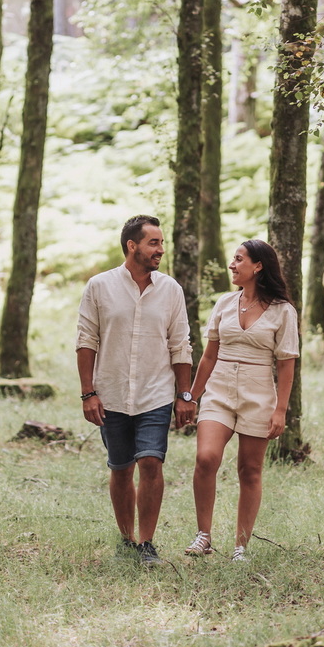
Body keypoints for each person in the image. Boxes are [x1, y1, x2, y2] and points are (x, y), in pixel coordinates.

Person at [76, 215, 196, 566]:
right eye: (153, 243)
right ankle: (126, 538)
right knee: (121, 467)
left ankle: (147, 543)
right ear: (132, 246)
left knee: (151, 462)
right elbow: (86, 340)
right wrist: (88, 393)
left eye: (161, 243)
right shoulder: (99, 286)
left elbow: (181, 345)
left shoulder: (170, 289)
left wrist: (184, 395)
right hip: (110, 392)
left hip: (155, 393)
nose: (160, 249)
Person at [184, 239, 298, 562]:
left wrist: (280, 410)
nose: (232, 265)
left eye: (238, 259)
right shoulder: (224, 303)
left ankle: (240, 547)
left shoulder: (282, 311)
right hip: (219, 389)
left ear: (258, 266)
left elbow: (287, 363)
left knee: (250, 471)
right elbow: (208, 355)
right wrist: (193, 396)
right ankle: (203, 536)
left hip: (258, 393)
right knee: (206, 458)